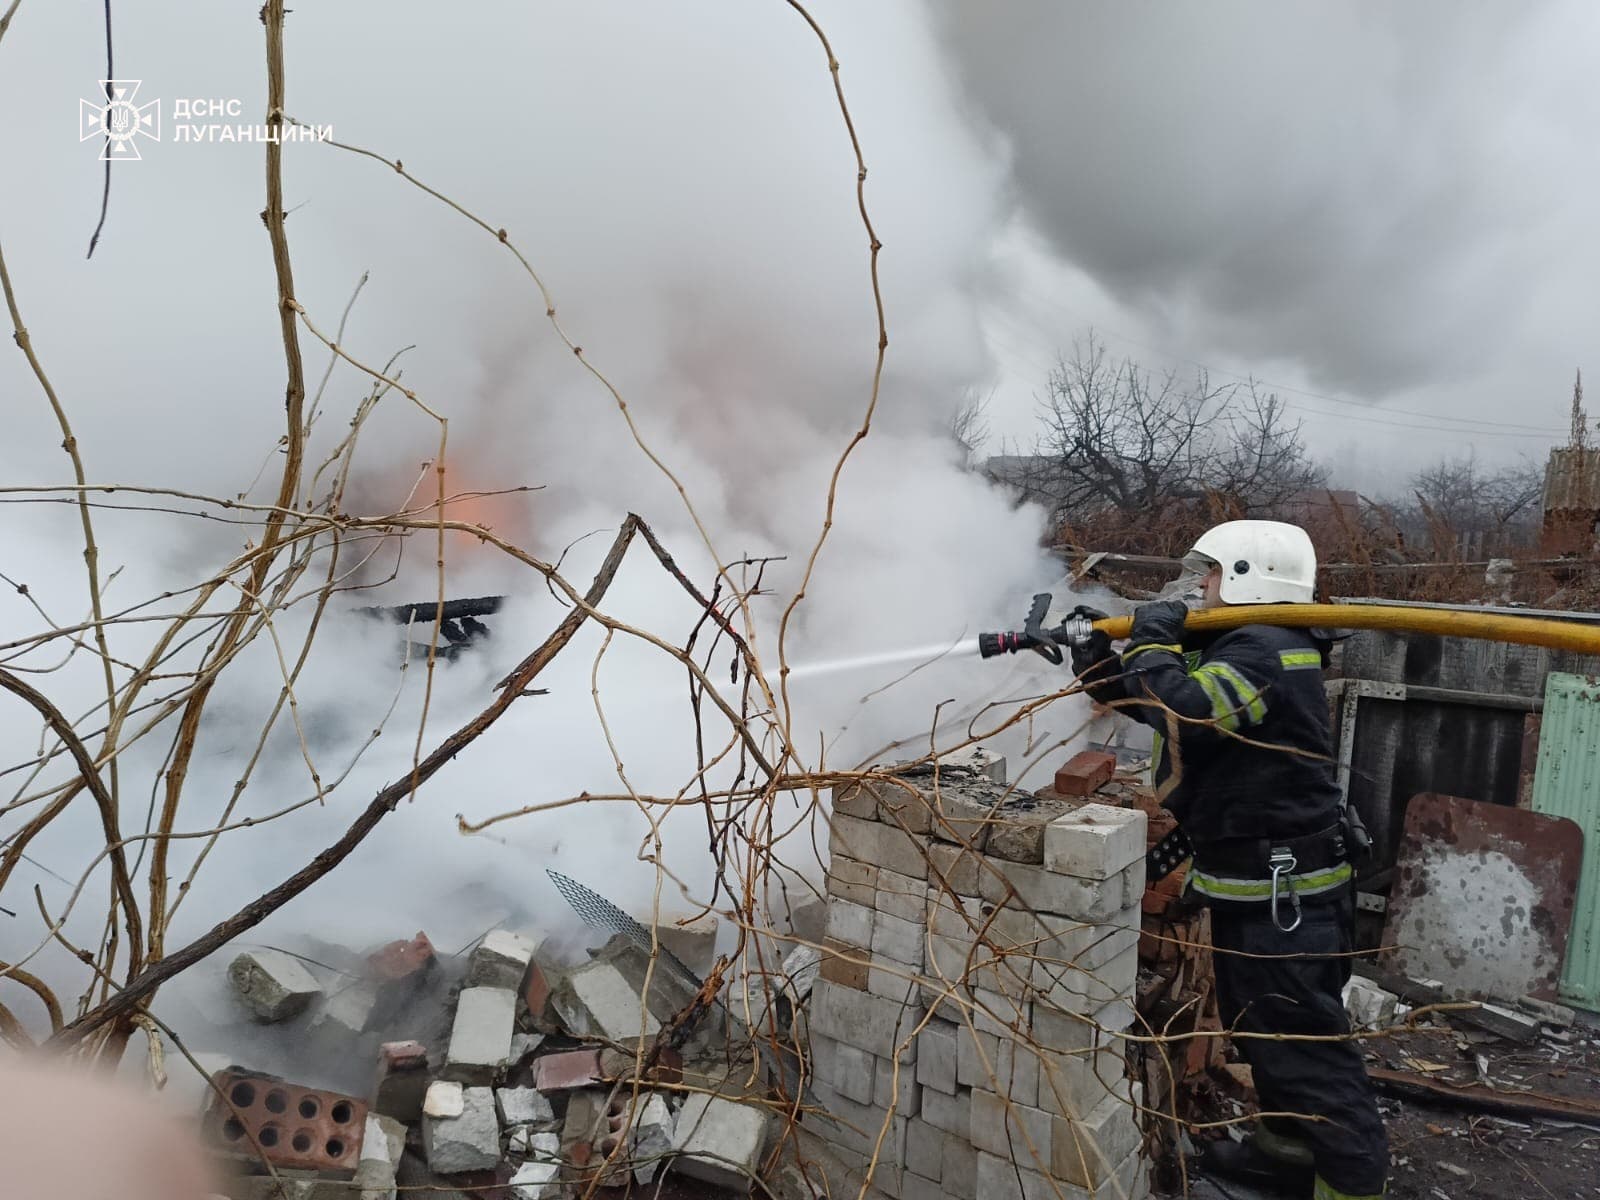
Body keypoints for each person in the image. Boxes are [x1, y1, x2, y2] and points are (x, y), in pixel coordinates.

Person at [1069, 519, 1388, 1200]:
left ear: (1249, 576)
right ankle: (1286, 1156)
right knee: (1267, 1035)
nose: (1199, 589)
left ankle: (1350, 1184)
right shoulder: (1253, 647)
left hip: (1287, 898)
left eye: (1209, 574)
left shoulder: (1264, 650)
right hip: (1269, 888)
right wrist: (1097, 660)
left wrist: (1153, 640)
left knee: (1305, 1052)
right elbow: (1163, 707)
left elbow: (1189, 713)